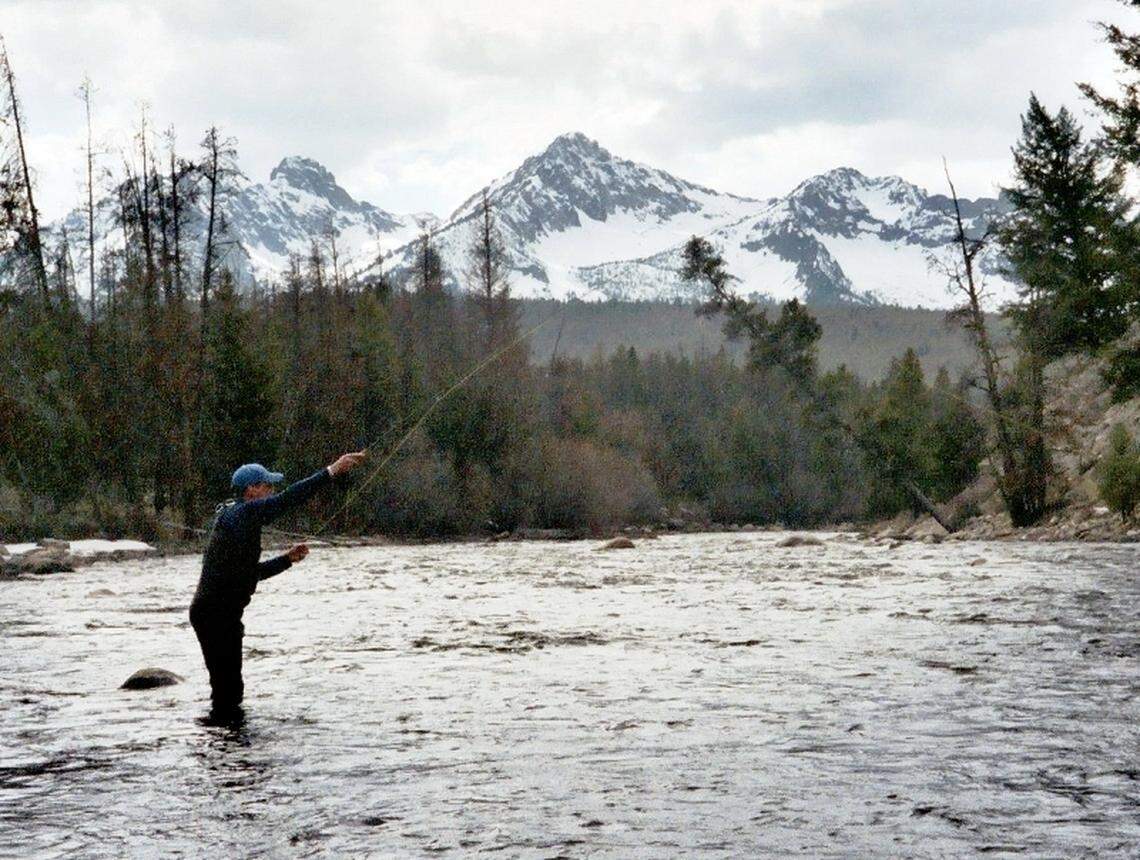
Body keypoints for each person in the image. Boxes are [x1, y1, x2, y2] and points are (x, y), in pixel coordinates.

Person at [189, 452, 365, 721]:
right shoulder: (243, 514)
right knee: (228, 693)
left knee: (230, 692)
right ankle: (225, 753)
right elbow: (289, 499)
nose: (272, 491)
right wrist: (331, 471)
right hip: (215, 615)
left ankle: (226, 753)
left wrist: (287, 560)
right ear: (251, 491)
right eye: (267, 486)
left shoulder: (240, 519)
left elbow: (250, 574)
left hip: (219, 614)